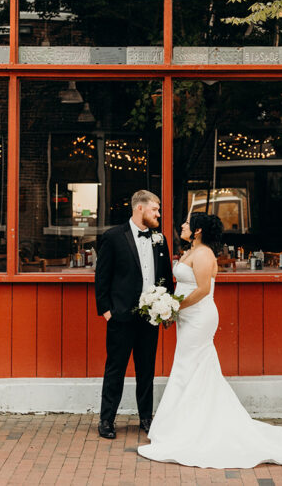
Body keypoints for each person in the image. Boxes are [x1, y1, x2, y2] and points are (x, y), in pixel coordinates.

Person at [138, 212, 282, 468]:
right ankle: (185, 422)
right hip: (187, 317)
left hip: (198, 317)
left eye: (187, 224)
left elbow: (202, 290)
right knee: (188, 367)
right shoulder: (189, 251)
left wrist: (174, 307)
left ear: (198, 231)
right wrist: (168, 307)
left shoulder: (204, 254)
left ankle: (194, 427)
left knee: (192, 366)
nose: (183, 226)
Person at [94, 189, 174, 440]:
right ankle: (106, 420)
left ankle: (146, 418)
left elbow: (165, 275)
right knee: (115, 369)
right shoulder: (113, 237)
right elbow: (102, 277)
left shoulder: (160, 238)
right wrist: (107, 311)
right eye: (154, 209)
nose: (158, 214)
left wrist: (167, 308)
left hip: (150, 317)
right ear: (139, 208)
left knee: (146, 370)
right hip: (121, 316)